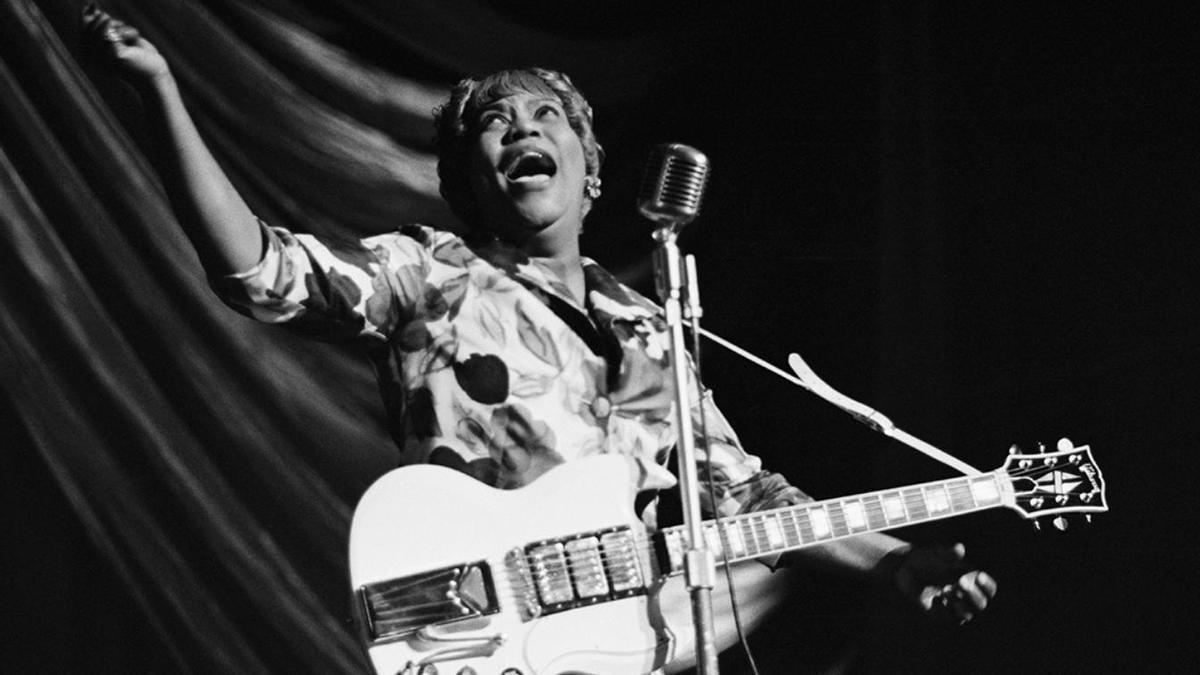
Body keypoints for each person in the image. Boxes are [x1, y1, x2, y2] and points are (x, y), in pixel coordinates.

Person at [81, 3, 996, 670]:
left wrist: (893, 561)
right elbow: (265, 275)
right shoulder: (431, 271)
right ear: (467, 179)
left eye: (544, 116)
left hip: (617, 642)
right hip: (480, 625)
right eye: (494, 122)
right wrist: (160, 94)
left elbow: (745, 497)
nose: (520, 126)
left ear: (589, 172)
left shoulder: (649, 324)